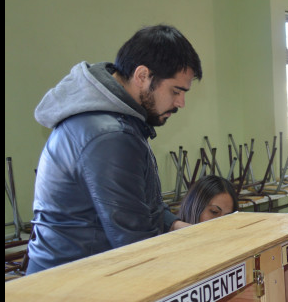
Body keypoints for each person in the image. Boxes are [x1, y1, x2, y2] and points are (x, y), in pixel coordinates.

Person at [26, 25, 202, 275]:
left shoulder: (113, 122)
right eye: (176, 91)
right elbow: (135, 244)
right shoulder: (110, 135)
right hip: (73, 289)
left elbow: (133, 204)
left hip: (73, 276)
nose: (180, 103)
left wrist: (173, 224)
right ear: (142, 76)